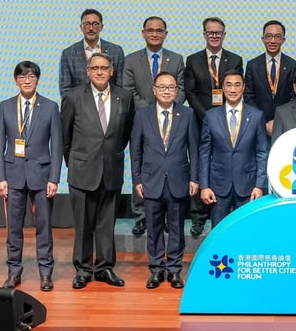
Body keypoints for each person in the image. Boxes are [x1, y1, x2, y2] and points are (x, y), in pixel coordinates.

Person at [61, 52, 135, 289]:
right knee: (83, 225)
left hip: (111, 170)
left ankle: (104, 267)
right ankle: (83, 269)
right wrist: (75, 162)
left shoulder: (124, 96)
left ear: (112, 71)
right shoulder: (73, 97)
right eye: (95, 68)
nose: (100, 72)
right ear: (88, 71)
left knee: (106, 224)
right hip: (82, 171)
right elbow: (65, 137)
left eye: (104, 68)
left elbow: (125, 133)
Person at [0, 61, 62, 292]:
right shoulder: (4, 107)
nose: (27, 80)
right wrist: (0, 178)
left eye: (31, 76)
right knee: (13, 228)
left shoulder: (51, 107)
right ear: (15, 80)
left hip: (42, 176)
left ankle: (45, 273)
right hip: (13, 176)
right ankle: (14, 272)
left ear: (38, 79)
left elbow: (57, 145)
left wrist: (54, 178)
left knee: (44, 226)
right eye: (22, 77)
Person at [131, 71, 199, 289]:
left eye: (171, 87)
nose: (167, 91)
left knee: (177, 228)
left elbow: (194, 150)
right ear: (154, 90)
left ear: (177, 91)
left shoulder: (187, 114)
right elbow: (136, 150)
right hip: (151, 181)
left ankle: (175, 270)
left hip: (179, 180)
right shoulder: (142, 115)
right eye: (162, 87)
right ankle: (156, 269)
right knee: (154, 228)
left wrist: (195, 178)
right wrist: (137, 179)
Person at [121, 16, 185, 236]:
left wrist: (166, 105)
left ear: (166, 34)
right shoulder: (131, 60)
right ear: (143, 33)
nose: (155, 34)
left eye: (159, 30)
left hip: (170, 119)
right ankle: (141, 216)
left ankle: (166, 217)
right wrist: (152, 109)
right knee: (141, 166)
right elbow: (128, 91)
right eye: (150, 30)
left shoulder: (176, 60)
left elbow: (182, 88)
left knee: (166, 166)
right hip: (142, 121)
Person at [185, 17, 244, 235]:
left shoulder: (235, 60)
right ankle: (199, 216)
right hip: (202, 120)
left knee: (222, 161)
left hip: (228, 122)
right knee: (201, 163)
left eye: (218, 32)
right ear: (204, 34)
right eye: (210, 33)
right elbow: (190, 92)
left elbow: (236, 91)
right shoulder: (193, 60)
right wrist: (207, 116)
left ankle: (223, 211)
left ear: (224, 34)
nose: (214, 36)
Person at [198, 71, 268, 227]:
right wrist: (204, 185)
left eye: (237, 85)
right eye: (228, 85)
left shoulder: (256, 116)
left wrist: (259, 184)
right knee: (218, 232)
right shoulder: (211, 116)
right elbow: (204, 153)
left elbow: (262, 152)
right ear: (222, 88)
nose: (233, 89)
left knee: (246, 231)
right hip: (218, 186)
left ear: (243, 87)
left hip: (248, 186)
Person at [244, 20, 296, 136]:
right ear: (263, 39)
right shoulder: (252, 65)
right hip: (258, 124)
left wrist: (279, 120)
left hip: (285, 124)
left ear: (283, 40)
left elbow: (295, 96)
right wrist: (262, 121)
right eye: (268, 36)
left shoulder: (293, 65)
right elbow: (248, 96)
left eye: (277, 37)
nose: (273, 41)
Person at [59, 9, 125, 95]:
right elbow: (65, 90)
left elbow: (120, 86)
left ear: (101, 27)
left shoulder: (116, 51)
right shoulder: (68, 54)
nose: (91, 28)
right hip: (79, 106)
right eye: (87, 24)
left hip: (109, 105)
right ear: (81, 27)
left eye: (95, 24)